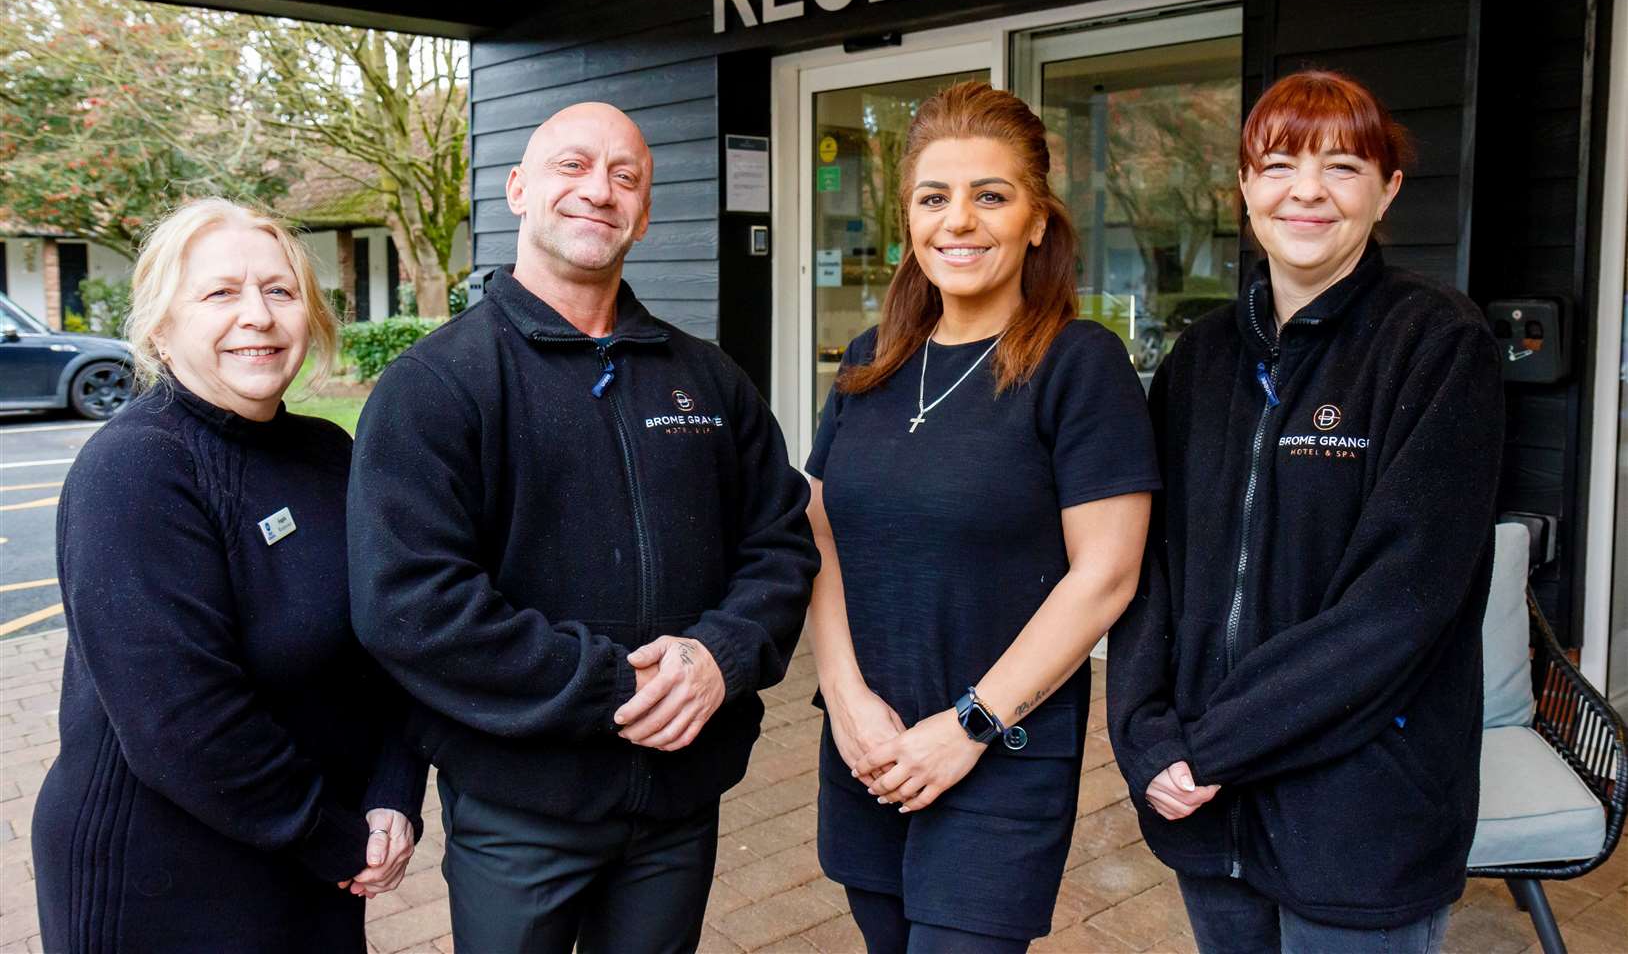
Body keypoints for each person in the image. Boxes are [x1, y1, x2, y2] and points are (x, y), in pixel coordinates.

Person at [347, 101, 820, 954]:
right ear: (519, 189)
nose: (598, 191)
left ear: (643, 212)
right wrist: (620, 686)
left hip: (679, 802)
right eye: (572, 166)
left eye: (624, 176)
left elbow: (780, 541)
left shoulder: (707, 379)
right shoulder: (436, 386)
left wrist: (720, 656)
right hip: (520, 811)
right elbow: (411, 605)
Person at [1108, 70, 1504, 953]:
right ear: (1245, 185)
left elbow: (1398, 606)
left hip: (1362, 810)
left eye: (1344, 167)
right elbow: (1149, 567)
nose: (1308, 191)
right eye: (1280, 163)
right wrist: (1144, 737)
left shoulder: (1437, 344)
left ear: (1388, 188)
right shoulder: (1200, 359)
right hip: (1207, 812)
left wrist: (1213, 746)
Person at [803, 81, 1161, 951]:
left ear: (1036, 220)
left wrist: (967, 727)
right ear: (909, 221)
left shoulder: (1081, 366)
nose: (958, 221)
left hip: (1000, 751)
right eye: (935, 197)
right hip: (869, 749)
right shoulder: (869, 363)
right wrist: (846, 701)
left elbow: (1106, 575)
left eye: (990, 196)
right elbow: (815, 535)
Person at [32, 199, 426, 954]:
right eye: (220, 293)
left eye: (280, 291)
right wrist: (335, 837)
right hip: (163, 884)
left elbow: (394, 635)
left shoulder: (325, 454)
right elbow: (181, 721)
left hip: (309, 859)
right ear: (159, 326)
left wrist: (391, 795)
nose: (259, 316)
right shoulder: (135, 469)